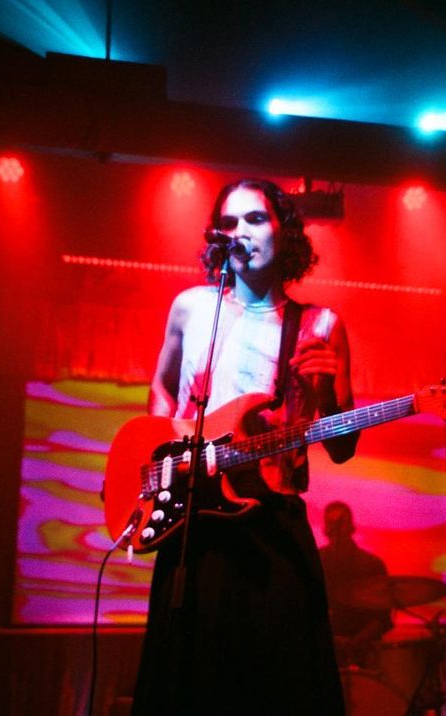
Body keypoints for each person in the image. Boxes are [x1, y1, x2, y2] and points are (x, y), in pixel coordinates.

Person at [131, 178, 359, 715]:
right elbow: (162, 385)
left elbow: (343, 447)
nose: (240, 232)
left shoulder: (320, 324)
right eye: (229, 223)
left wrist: (328, 396)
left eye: (255, 219)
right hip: (196, 524)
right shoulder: (192, 308)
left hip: (273, 527)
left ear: (285, 231)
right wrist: (165, 449)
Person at [318, 501, 393, 666]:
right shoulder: (316, 562)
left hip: (365, 651)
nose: (337, 528)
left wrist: (356, 642)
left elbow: (382, 618)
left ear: (352, 527)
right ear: (326, 529)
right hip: (325, 651)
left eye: (341, 522)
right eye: (332, 523)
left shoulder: (372, 565)